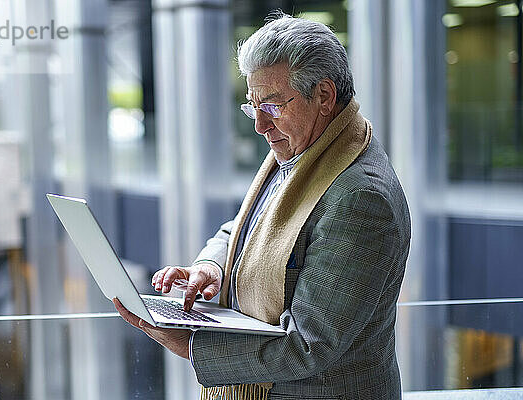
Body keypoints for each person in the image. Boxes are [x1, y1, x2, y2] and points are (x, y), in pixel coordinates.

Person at [114, 11, 411, 400]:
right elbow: (242, 227)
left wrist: (189, 346)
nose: (259, 125)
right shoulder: (304, 151)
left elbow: (309, 344)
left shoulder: (360, 198)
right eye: (252, 106)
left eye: (271, 106)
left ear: (324, 96)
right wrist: (212, 267)